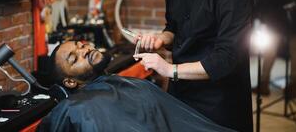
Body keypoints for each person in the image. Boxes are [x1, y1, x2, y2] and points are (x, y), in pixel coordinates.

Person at [132, 0, 254, 132]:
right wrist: (160, 39)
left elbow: (227, 59)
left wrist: (169, 70)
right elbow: (173, 26)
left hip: (219, 99)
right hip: (181, 90)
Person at [37, 40, 235, 132]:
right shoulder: (73, 109)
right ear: (70, 82)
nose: (84, 50)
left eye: (81, 45)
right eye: (74, 58)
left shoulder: (126, 84)